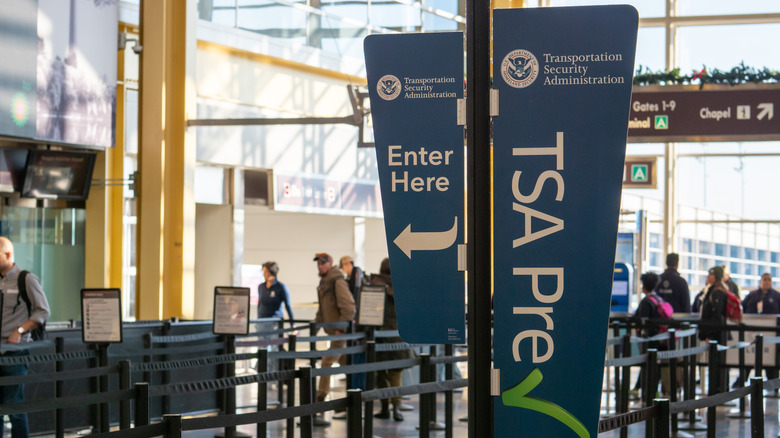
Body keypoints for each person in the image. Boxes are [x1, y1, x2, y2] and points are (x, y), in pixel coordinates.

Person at [0, 236, 50, 438]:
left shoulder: (26, 279)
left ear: (8, 254)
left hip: (15, 353)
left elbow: (43, 311)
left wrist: (19, 331)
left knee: (14, 406)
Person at [312, 252, 355, 427]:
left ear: (330, 264)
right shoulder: (324, 283)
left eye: (323, 263)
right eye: (318, 263)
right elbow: (322, 311)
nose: (320, 266)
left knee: (326, 363)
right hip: (334, 332)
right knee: (347, 366)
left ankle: (319, 402)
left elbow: (349, 307)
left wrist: (340, 329)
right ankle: (353, 400)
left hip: (340, 334)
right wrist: (314, 328)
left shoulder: (337, 281)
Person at [370, 258, 412, 421]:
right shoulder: (402, 286)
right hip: (398, 336)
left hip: (379, 335)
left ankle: (384, 407)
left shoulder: (375, 284)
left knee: (381, 373)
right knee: (395, 374)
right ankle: (397, 408)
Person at [740, 273, 780, 383]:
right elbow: (743, 309)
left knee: (771, 361)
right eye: (765, 279)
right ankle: (742, 380)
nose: (767, 282)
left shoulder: (776, 296)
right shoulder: (752, 295)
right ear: (760, 281)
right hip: (752, 334)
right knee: (748, 360)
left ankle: (772, 382)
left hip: (771, 336)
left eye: (769, 279)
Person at [698, 266, 728, 345]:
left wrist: (710, 335)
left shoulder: (718, 292)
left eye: (711, 274)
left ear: (716, 277)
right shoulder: (712, 290)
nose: (708, 277)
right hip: (712, 331)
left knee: (714, 352)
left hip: (715, 335)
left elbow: (717, 314)